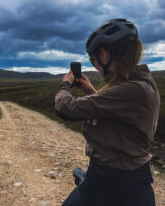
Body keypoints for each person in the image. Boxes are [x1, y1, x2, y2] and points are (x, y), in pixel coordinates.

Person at [55, 18, 160, 206]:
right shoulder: (136, 85)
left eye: (93, 59)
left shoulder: (134, 89)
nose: (94, 65)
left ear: (104, 54)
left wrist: (65, 84)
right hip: (103, 177)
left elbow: (65, 108)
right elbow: (113, 112)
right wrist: (90, 91)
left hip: (123, 186)